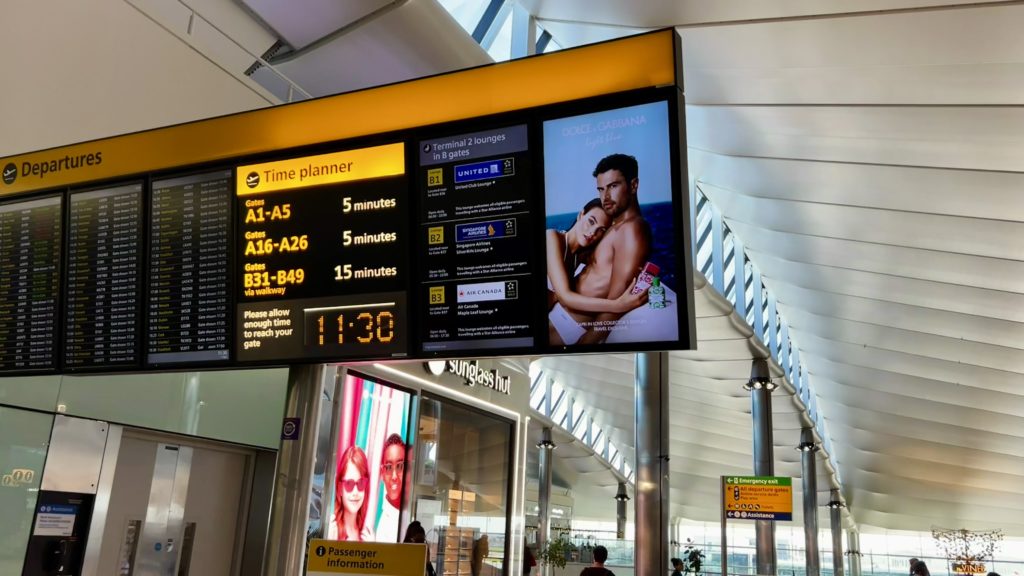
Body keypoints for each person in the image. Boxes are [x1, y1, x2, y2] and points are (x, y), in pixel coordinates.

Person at [553, 153, 653, 346]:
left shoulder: (632, 229)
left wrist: (586, 343)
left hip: (567, 326)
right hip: (560, 315)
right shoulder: (614, 226)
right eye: (601, 189)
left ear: (633, 185)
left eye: (613, 186)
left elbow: (617, 299)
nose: (605, 197)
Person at [547, 198, 647, 344]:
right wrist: (619, 305)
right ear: (581, 215)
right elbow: (565, 297)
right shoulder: (552, 237)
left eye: (601, 230)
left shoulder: (580, 256)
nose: (592, 232)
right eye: (591, 221)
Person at [334, 445, 374, 541]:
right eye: (349, 484)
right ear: (339, 488)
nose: (355, 492)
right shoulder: (332, 531)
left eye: (361, 483)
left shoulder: (367, 536)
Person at [376, 433, 406, 539]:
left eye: (399, 466)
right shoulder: (381, 528)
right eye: (388, 467)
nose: (394, 476)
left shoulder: (409, 511)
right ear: (382, 473)